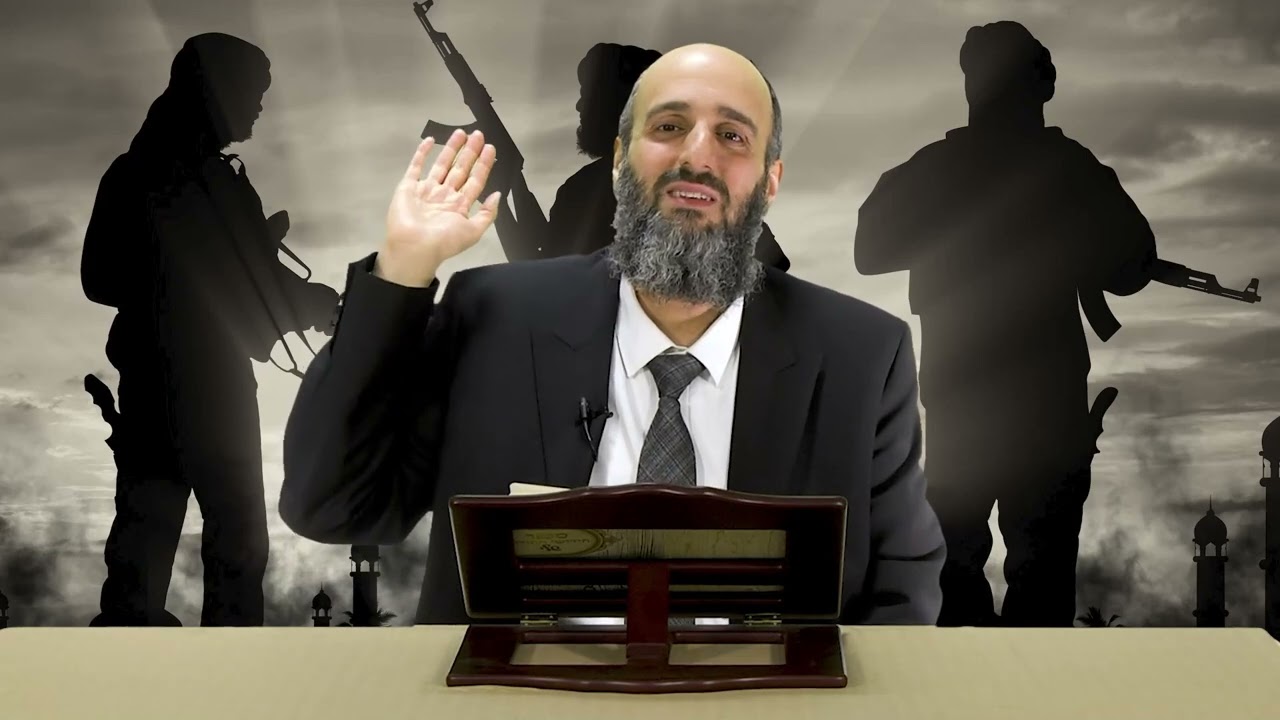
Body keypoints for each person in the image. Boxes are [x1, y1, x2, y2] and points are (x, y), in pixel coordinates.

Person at [279, 43, 945, 625]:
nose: (697, 155)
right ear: (621, 159)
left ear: (771, 180)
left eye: (732, 136)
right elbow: (333, 507)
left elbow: (901, 599)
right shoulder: (491, 318)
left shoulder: (864, 357)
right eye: (669, 126)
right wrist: (403, 268)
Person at [854, 21, 1156, 627]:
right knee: (1024, 573)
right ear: (1042, 86)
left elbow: (1132, 264)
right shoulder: (1065, 168)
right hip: (1028, 404)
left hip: (975, 399)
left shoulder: (939, 169)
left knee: (964, 567)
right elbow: (1132, 267)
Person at [81, 33, 339, 626]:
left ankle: (220, 666)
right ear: (215, 91)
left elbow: (253, 279)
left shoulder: (219, 182)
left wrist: (315, 303)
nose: (259, 106)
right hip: (171, 384)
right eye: (252, 92)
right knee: (165, 548)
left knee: (227, 547)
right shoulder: (141, 176)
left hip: (208, 383)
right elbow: (101, 278)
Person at [492, 42, 791, 271]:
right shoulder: (584, 189)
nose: (580, 107)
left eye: (588, 96)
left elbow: (541, 273)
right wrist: (507, 193)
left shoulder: (584, 190)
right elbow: (543, 269)